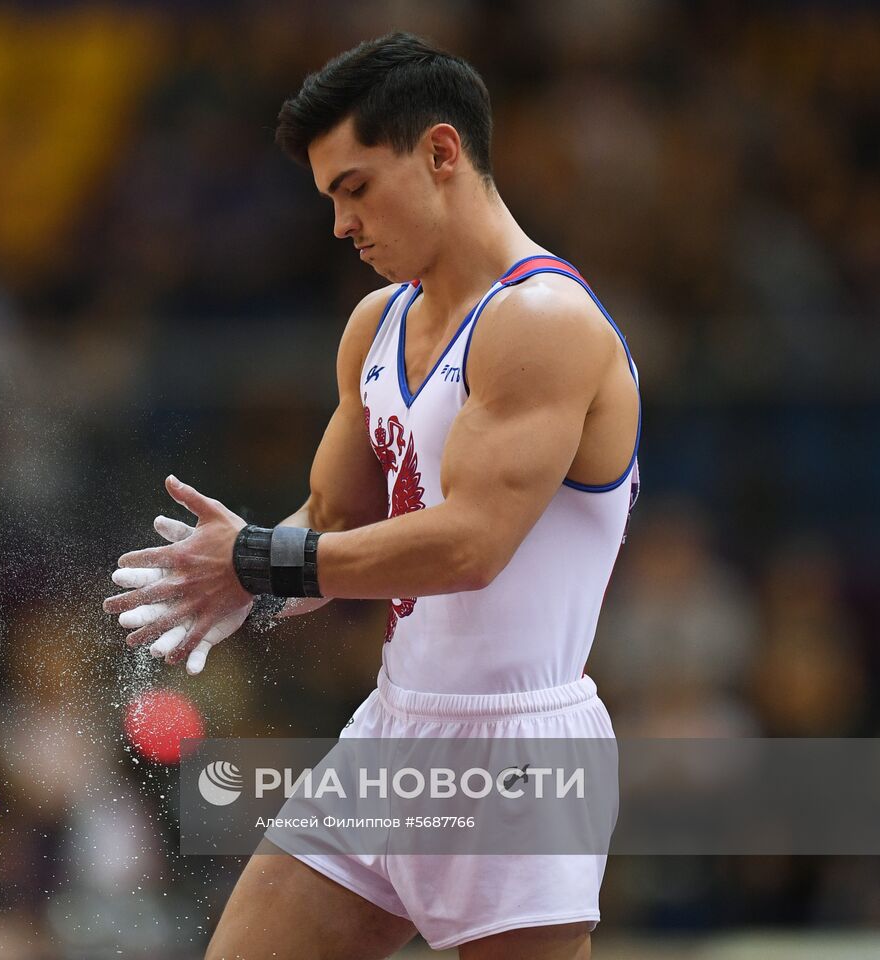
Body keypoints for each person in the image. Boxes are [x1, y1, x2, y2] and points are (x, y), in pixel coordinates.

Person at [104, 32, 639, 959]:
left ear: (441, 153)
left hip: (517, 754)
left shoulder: (543, 323)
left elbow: (469, 548)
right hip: (393, 730)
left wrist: (265, 564)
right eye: (329, 200)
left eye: (355, 188)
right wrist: (242, 570)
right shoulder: (376, 325)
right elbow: (336, 521)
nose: (341, 226)